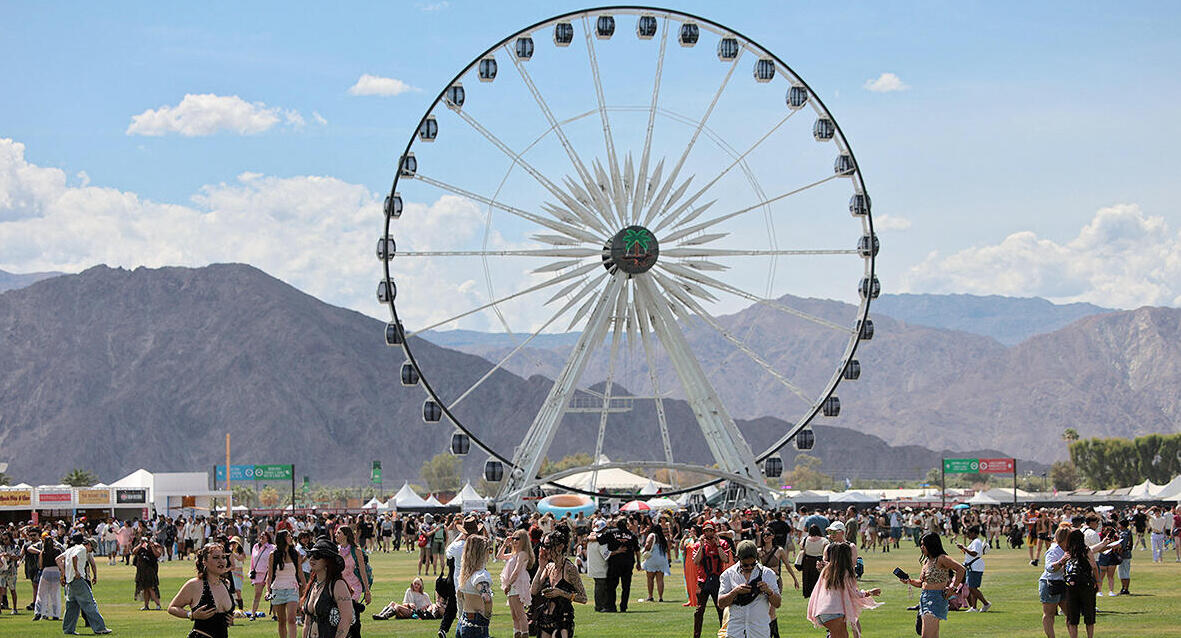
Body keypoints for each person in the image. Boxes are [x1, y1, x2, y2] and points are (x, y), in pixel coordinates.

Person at [897, 533, 966, 638]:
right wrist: (909, 581)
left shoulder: (942, 558)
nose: (921, 547)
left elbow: (961, 569)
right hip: (924, 598)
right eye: (921, 545)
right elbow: (921, 583)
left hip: (936, 599)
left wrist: (953, 587)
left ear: (931, 545)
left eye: (924, 545)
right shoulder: (927, 561)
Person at [806, 542, 881, 638]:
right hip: (835, 611)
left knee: (843, 635)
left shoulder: (827, 570)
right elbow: (854, 593)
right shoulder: (846, 572)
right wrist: (869, 592)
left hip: (821, 611)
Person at [167, 543, 234, 638]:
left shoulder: (226, 584)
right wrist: (191, 615)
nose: (221, 561)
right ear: (204, 561)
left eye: (223, 557)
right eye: (215, 558)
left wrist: (229, 620)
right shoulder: (195, 585)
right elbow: (172, 608)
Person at [530, 530, 587, 638]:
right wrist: (541, 567)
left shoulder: (569, 568)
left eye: (548, 546)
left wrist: (561, 593)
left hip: (563, 621)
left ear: (560, 547)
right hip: (545, 620)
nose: (545, 550)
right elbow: (533, 591)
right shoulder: (549, 567)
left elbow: (583, 598)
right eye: (544, 546)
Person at [302, 538, 357, 638]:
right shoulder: (314, 584)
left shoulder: (338, 585)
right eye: (311, 555)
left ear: (328, 561)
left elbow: (346, 618)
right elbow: (307, 623)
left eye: (317, 556)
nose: (312, 559)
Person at [58, 535, 111, 635]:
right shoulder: (82, 549)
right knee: (89, 603)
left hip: (70, 582)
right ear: (89, 544)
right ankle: (100, 628)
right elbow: (75, 557)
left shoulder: (71, 549)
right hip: (78, 580)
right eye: (91, 549)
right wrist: (77, 571)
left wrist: (63, 574)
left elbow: (58, 559)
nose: (90, 552)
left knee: (72, 606)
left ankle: (68, 629)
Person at [691, 522, 732, 638]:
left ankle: (724, 635)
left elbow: (725, 559)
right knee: (699, 611)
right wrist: (701, 546)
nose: (709, 533)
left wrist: (718, 545)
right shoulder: (699, 545)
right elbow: (696, 561)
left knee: (721, 609)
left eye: (711, 530)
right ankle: (696, 635)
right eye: (706, 531)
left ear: (714, 531)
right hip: (703, 581)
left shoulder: (722, 543)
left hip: (717, 580)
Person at [267, 529, 305, 638]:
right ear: (282, 539)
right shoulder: (273, 555)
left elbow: (300, 573)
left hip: (292, 589)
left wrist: (305, 587)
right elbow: (269, 576)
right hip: (277, 589)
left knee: (292, 619)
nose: (291, 537)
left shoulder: (295, 554)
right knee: (281, 621)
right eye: (288, 536)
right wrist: (268, 591)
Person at [1062, 529, 1100, 638]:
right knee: (1089, 615)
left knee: (1073, 617)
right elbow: (1093, 566)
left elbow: (1065, 568)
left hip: (1071, 586)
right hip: (1086, 585)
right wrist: (1097, 581)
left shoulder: (1068, 550)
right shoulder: (1086, 550)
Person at [598, 516, 639, 613]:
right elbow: (637, 550)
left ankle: (612, 606)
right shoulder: (631, 534)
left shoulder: (610, 532)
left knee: (611, 586)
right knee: (626, 586)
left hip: (614, 563)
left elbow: (600, 540)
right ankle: (623, 607)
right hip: (628, 563)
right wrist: (639, 562)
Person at [457, 535, 494, 638]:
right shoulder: (480, 575)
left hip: (463, 621)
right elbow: (486, 598)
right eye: (489, 550)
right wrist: (487, 615)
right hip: (476, 624)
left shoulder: (464, 574)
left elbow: (459, 595)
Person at [499, 529, 534, 638]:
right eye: (513, 538)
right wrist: (505, 544)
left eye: (517, 539)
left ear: (523, 540)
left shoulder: (523, 554)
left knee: (520, 613)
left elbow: (517, 570)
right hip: (512, 583)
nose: (514, 541)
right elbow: (499, 556)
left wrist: (509, 584)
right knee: (514, 614)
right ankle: (517, 633)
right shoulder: (515, 553)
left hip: (517, 583)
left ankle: (524, 634)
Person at [1038, 526, 1070, 638]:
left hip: (1063, 582)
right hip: (1050, 583)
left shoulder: (1068, 549)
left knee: (1070, 614)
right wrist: (1062, 561)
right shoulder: (1053, 550)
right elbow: (1049, 568)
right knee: (1049, 614)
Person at [954, 525, 990, 612]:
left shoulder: (976, 542)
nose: (968, 535)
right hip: (972, 566)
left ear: (974, 533)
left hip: (975, 567)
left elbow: (974, 553)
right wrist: (964, 549)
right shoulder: (974, 542)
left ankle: (986, 603)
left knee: (972, 588)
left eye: (969, 533)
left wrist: (964, 548)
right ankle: (974, 607)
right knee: (973, 588)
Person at [372, 577, 440, 620]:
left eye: (418, 584)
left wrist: (426, 608)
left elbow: (431, 605)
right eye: (415, 583)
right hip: (408, 609)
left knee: (397, 606)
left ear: (421, 586)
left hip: (415, 613)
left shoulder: (425, 595)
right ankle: (381, 614)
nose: (416, 585)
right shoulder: (409, 591)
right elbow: (404, 603)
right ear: (412, 584)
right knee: (392, 603)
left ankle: (385, 617)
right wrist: (409, 604)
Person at [34, 531, 63, 621]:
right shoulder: (57, 550)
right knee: (55, 594)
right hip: (56, 571)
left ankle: (39, 612)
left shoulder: (43, 552)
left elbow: (41, 565)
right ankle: (55, 614)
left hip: (46, 571)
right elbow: (60, 563)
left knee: (41, 594)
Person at [640, 522, 671, 602]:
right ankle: (660, 597)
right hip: (662, 559)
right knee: (660, 579)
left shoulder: (652, 536)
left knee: (650, 578)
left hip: (652, 559)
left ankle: (650, 596)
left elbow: (647, 546)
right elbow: (669, 548)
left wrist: (644, 550)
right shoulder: (663, 538)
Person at [248, 530, 275, 620]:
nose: (262, 537)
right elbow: (252, 561)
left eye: (264, 535)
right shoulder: (255, 546)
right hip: (258, 574)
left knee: (272, 594)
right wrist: (251, 572)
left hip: (269, 573)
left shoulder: (272, 547)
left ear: (268, 537)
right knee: (257, 594)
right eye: (261, 535)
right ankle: (253, 613)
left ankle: (274, 614)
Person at [132, 534, 163, 610]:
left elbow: (158, 554)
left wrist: (152, 546)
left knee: (151, 587)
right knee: (145, 588)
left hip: (150, 569)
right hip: (142, 569)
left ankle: (158, 604)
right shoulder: (141, 546)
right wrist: (141, 544)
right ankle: (146, 605)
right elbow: (134, 552)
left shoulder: (156, 546)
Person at [585, 520, 610, 612]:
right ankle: (600, 606)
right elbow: (606, 555)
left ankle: (598, 606)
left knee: (598, 587)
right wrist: (618, 551)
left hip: (593, 567)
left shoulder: (591, 539)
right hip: (601, 568)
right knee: (601, 588)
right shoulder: (601, 541)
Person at [799, 524, 829, 598]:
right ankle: (818, 593)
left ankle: (807, 593)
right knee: (818, 578)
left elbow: (801, 547)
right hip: (819, 560)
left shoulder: (805, 539)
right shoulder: (824, 540)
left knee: (807, 578)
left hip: (807, 561)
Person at [0, 531, 20, 616]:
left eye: (6, 539)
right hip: (2, 571)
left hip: (11, 571)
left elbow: (17, 557)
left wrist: (8, 555)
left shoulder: (15, 547)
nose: (5, 541)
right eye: (3, 539)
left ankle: (14, 608)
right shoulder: (1, 547)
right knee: (1, 590)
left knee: (12, 589)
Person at [1115, 518, 1133, 595]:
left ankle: (1125, 588)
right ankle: (1124, 587)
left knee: (1124, 572)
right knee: (1124, 572)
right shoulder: (1127, 532)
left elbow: (1122, 545)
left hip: (1124, 555)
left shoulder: (1124, 534)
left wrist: (1119, 554)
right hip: (1127, 554)